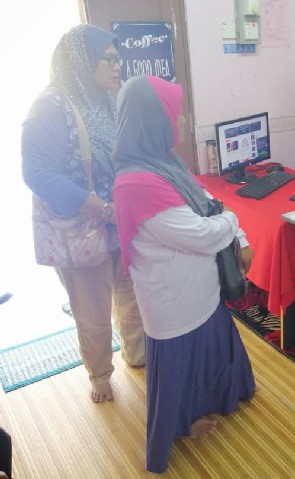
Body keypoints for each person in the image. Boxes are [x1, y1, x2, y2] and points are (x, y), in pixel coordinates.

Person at [112, 75, 256, 474]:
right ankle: (178, 425)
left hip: (199, 288)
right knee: (180, 365)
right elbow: (202, 234)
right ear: (153, 119)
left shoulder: (163, 161)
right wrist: (234, 221)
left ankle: (212, 401)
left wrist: (234, 229)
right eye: (172, 113)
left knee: (208, 348)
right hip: (173, 297)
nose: (179, 120)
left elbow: (208, 202)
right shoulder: (136, 181)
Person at [21, 24, 145, 403]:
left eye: (119, 59)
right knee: (92, 311)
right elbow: (38, 174)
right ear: (81, 61)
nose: (117, 67)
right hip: (81, 227)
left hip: (119, 222)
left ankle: (137, 355)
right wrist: (101, 208)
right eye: (109, 59)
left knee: (131, 293)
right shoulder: (50, 107)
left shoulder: (108, 99)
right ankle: (100, 374)